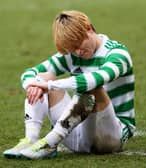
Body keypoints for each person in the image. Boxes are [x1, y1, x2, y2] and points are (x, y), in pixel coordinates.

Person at [3, 10, 135, 159]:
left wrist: (51, 85)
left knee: (90, 87)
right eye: (72, 48)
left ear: (88, 28)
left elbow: (96, 79)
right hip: (76, 133)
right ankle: (31, 139)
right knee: (41, 78)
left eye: (78, 44)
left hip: (110, 136)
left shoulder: (117, 53)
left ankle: (49, 142)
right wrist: (33, 85)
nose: (77, 52)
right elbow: (30, 72)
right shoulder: (72, 54)